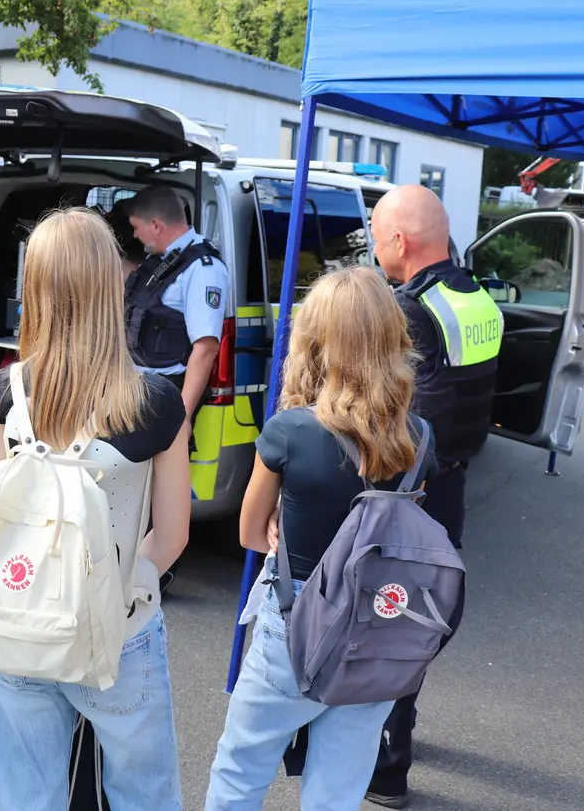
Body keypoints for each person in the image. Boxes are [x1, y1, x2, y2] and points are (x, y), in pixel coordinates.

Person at [0, 207, 192, 811]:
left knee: (28, 790)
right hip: (116, 625)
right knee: (141, 792)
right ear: (111, 284)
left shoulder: (2, 392)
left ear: (33, 287)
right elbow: (172, 533)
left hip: (20, 619)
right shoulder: (154, 402)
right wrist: (126, 582)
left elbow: (3, 513)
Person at [205, 266, 436, 811]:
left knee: (242, 768)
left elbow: (249, 533)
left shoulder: (292, 431)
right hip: (379, 626)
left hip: (297, 622)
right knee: (338, 785)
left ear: (315, 341)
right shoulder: (419, 437)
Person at [364, 184, 502, 808]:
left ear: (400, 241)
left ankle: (388, 764)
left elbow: (398, 416)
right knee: (419, 616)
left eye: (374, 231)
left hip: (409, 491)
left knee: (389, 618)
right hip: (450, 485)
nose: (370, 243)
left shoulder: (409, 309)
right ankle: (399, 714)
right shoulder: (477, 298)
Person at [124, 184, 229, 416]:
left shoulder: (203, 269)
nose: (134, 235)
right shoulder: (161, 261)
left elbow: (206, 348)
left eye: (135, 227)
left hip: (167, 395)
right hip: (138, 390)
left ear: (155, 225)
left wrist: (183, 415)